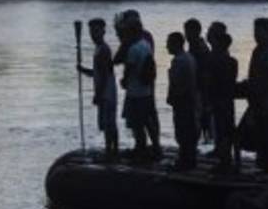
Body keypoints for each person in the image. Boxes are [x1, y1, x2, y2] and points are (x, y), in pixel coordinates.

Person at [113, 9, 162, 161]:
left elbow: (119, 61)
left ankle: (143, 149)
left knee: (139, 121)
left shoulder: (134, 44)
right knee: (147, 118)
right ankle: (153, 147)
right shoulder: (145, 40)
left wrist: (125, 81)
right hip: (147, 88)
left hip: (138, 90)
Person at [236, 17, 268, 172]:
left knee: (267, 137)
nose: (255, 35)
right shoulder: (257, 51)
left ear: (267, 32)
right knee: (245, 136)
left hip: (267, 103)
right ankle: (255, 165)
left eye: (258, 32)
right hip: (255, 101)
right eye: (254, 32)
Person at [76, 17, 119, 159]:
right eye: (91, 32)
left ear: (103, 31)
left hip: (107, 92)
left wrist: (98, 94)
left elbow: (105, 74)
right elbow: (97, 73)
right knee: (107, 123)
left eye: (96, 31)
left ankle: (112, 150)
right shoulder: (98, 49)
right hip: (104, 91)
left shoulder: (104, 50)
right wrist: (82, 70)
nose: (93, 34)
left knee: (108, 123)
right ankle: (111, 149)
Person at [206, 26, 239, 173]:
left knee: (223, 131)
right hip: (227, 100)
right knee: (227, 130)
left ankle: (225, 162)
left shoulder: (216, 60)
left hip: (219, 100)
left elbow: (211, 81)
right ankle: (229, 160)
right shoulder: (232, 61)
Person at [166, 32, 199, 170]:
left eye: (169, 43)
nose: (167, 46)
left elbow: (178, 83)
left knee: (183, 131)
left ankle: (185, 161)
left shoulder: (179, 61)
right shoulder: (190, 58)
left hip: (183, 101)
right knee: (189, 131)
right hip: (190, 100)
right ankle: (189, 159)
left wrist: (173, 96)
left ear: (176, 44)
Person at [184, 18, 212, 144]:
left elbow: (204, 72)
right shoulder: (196, 46)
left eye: (188, 32)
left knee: (197, 120)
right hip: (198, 88)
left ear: (196, 31)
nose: (186, 35)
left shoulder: (199, 48)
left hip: (199, 89)